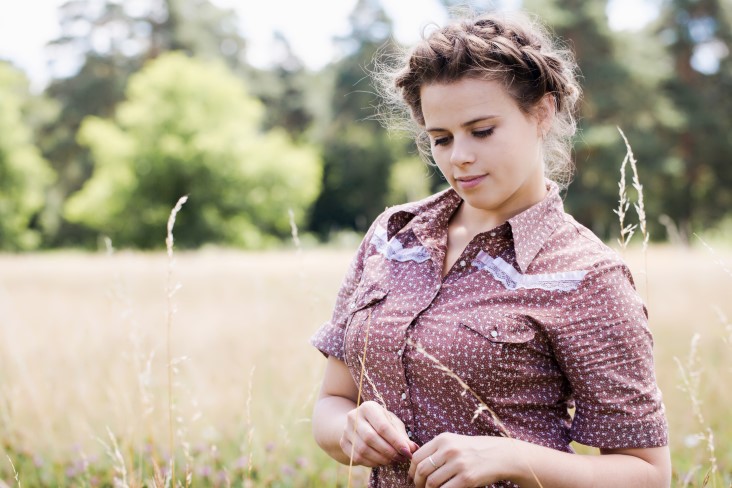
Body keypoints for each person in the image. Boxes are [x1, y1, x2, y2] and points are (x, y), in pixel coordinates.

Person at [310, 10, 670, 488]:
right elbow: (333, 401)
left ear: (541, 113)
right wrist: (348, 431)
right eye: (441, 138)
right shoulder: (392, 235)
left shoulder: (586, 276)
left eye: (481, 131)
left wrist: (513, 458)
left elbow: (647, 473)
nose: (459, 156)